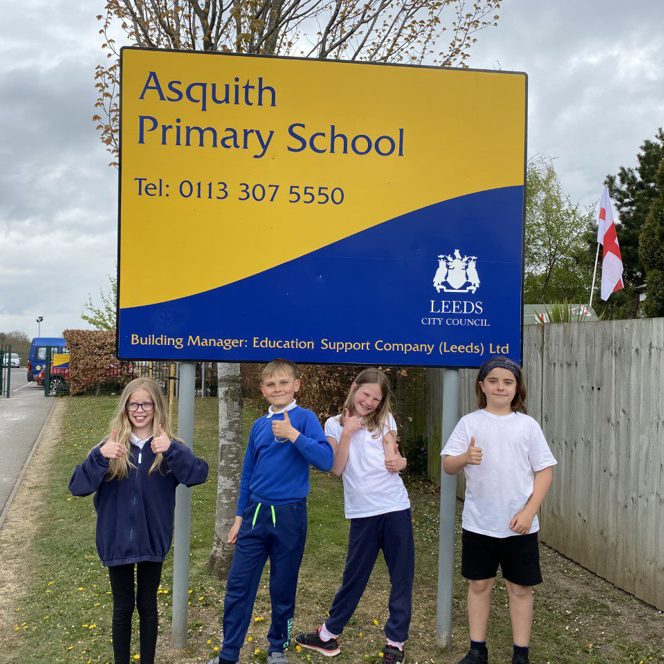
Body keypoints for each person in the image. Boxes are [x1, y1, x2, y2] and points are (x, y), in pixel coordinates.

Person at [68, 377, 209, 664]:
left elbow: (197, 474)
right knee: (122, 607)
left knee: (147, 605)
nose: (140, 409)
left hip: (152, 538)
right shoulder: (110, 447)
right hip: (117, 539)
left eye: (146, 403)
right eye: (134, 403)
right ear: (125, 407)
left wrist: (171, 449)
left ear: (157, 407)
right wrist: (99, 456)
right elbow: (77, 487)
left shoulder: (167, 448)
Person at [209, 359, 334, 664]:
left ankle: (277, 647)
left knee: (282, 587)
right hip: (254, 516)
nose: (278, 389)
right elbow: (248, 473)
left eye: (284, 383)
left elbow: (326, 460)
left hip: (290, 517)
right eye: (271, 384)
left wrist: (293, 435)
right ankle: (229, 654)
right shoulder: (259, 426)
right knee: (238, 587)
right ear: (263, 390)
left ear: (296, 386)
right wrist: (239, 517)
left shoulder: (304, 419)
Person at [441, 357, 557, 664]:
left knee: (520, 589)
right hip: (479, 523)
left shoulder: (527, 426)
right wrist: (465, 456)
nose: (500, 387)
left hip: (519, 524)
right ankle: (477, 649)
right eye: (493, 381)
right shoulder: (470, 423)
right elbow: (448, 465)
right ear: (482, 386)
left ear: (517, 388)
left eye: (508, 382)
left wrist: (530, 511)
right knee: (479, 585)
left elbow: (545, 472)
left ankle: (521, 653)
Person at [295, 368, 412, 664]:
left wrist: (399, 461)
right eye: (366, 394)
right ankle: (328, 635)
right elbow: (336, 468)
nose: (370, 402)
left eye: (377, 398)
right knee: (354, 576)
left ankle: (395, 643)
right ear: (354, 387)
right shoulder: (333, 424)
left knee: (401, 577)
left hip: (395, 507)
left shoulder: (385, 420)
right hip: (363, 512)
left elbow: (393, 455)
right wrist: (347, 431)